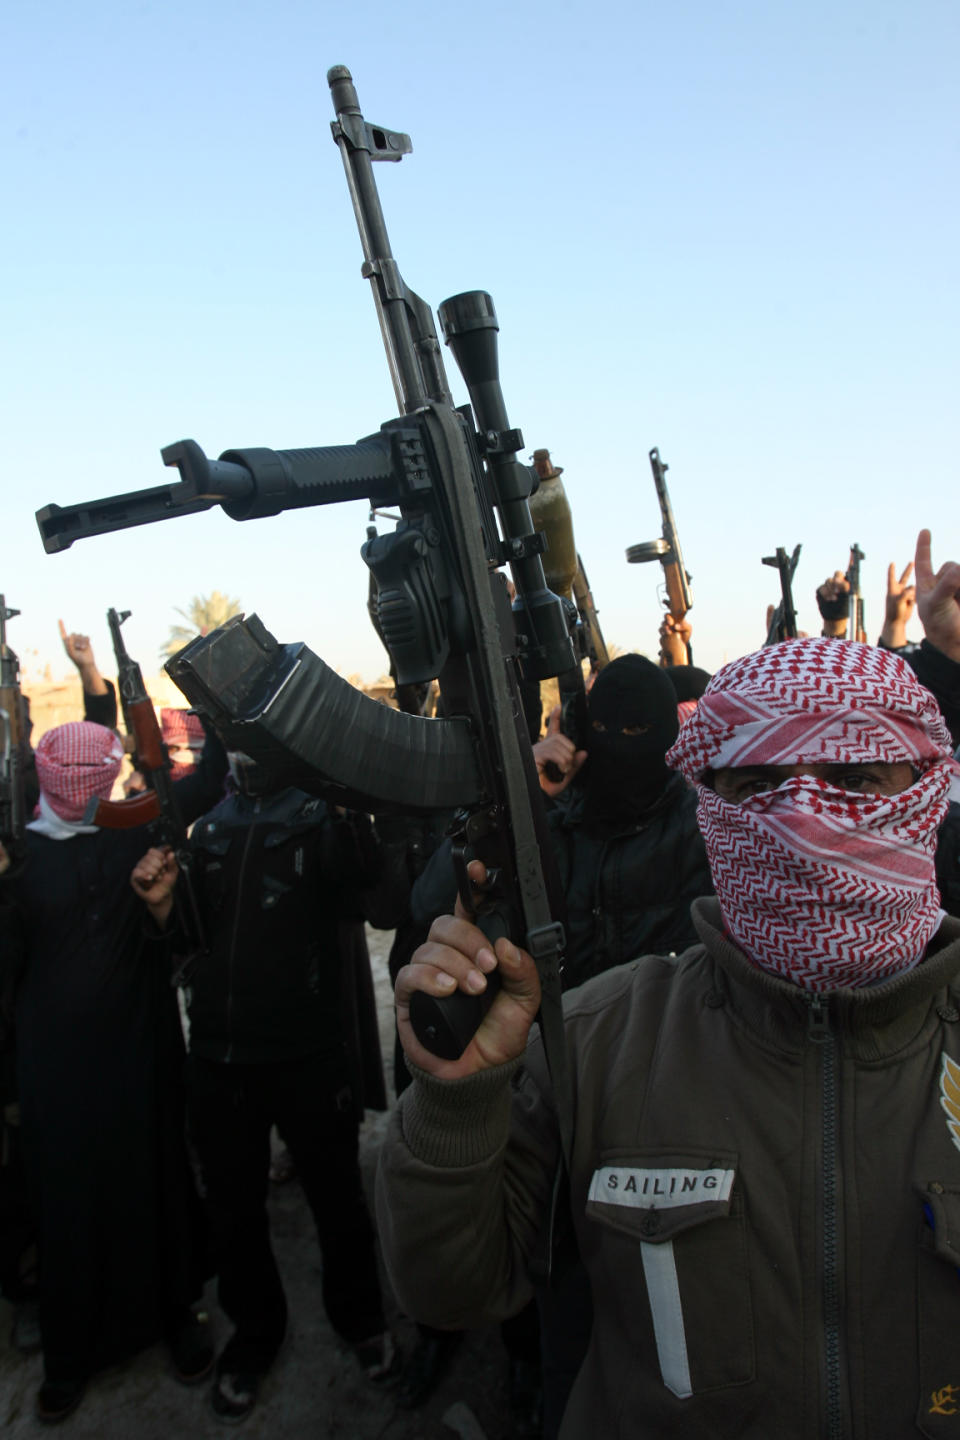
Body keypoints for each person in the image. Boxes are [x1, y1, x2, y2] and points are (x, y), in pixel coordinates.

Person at [377, 633, 960, 1439]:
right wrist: (453, 1107)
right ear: (710, 801)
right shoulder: (595, 1040)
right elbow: (450, 1289)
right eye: (757, 784)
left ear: (926, 790)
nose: (801, 820)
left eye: (854, 778)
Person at [134, 752, 405, 1423]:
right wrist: (165, 907)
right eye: (232, 735)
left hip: (307, 1055)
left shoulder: (319, 818)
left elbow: (371, 895)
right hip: (220, 1060)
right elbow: (188, 943)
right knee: (234, 1214)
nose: (243, 750)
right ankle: (256, 1335)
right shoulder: (212, 826)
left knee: (337, 1200)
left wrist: (351, 814)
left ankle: (361, 1321)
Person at [5, 720, 217, 1424]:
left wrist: (160, 905)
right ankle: (71, 1357)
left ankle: (175, 1318)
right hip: (56, 1073)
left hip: (140, 1048)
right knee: (68, 1208)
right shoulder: (21, 859)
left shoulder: (132, 832)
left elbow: (181, 936)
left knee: (155, 1181)